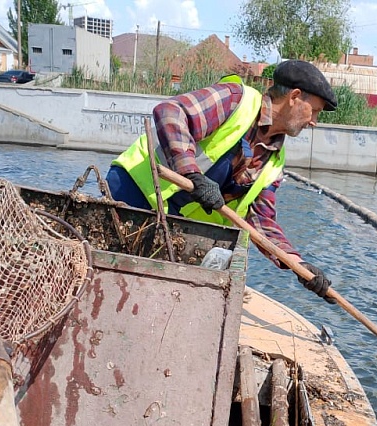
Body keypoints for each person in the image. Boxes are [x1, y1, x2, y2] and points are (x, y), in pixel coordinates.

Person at [105, 60, 337, 302]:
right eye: (315, 111)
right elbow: (170, 112)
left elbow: (261, 220)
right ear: (295, 97)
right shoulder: (237, 101)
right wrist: (191, 173)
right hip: (134, 193)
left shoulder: (275, 160)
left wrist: (298, 264)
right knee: (115, 286)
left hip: (172, 220)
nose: (314, 122)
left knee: (149, 297)